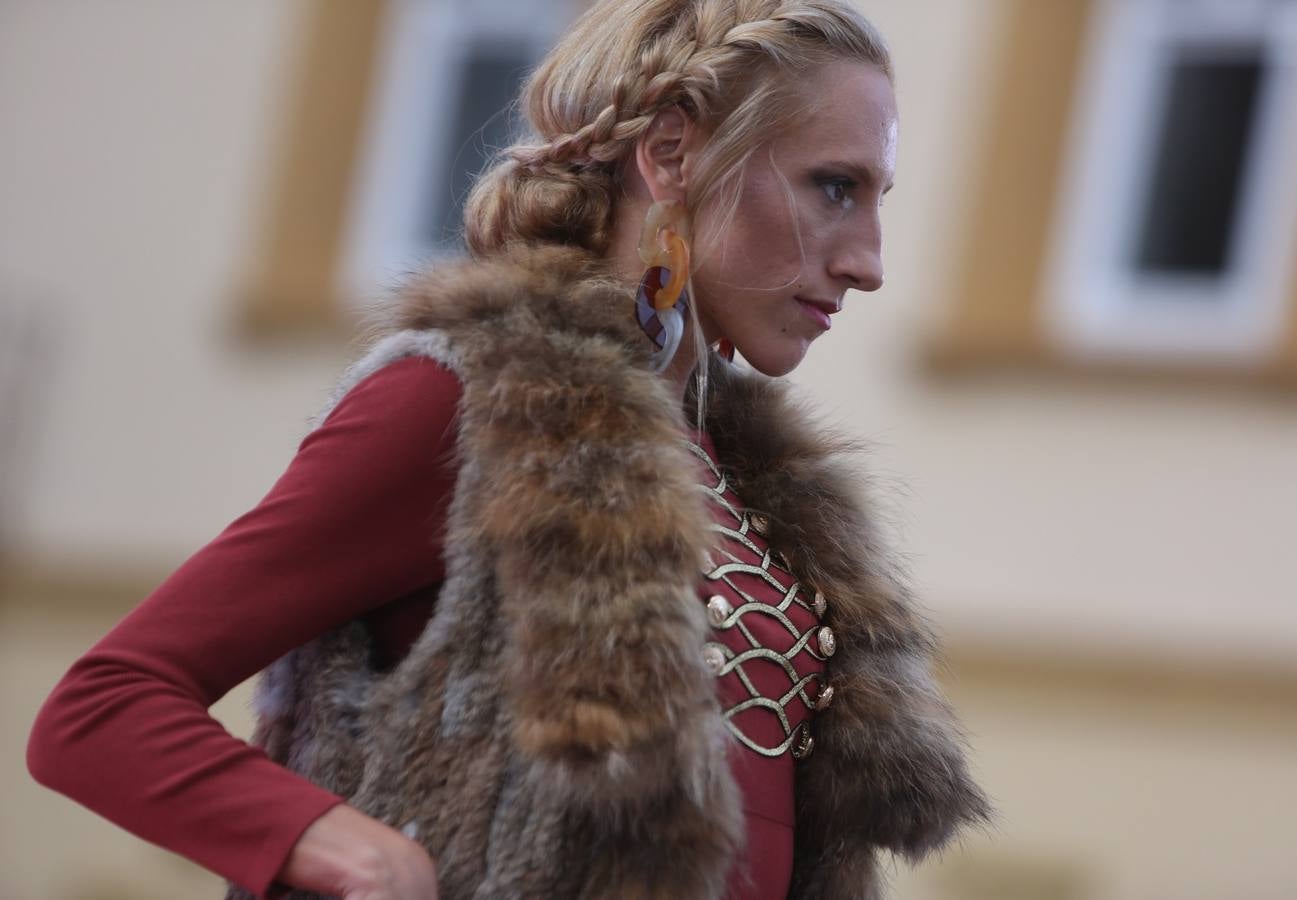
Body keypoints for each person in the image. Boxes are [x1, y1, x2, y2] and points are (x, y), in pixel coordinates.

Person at [26, 1, 990, 897]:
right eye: (834, 188)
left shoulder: (747, 478)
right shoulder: (468, 401)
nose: (867, 261)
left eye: (876, 199)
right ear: (671, 153)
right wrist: (342, 842)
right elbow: (102, 708)